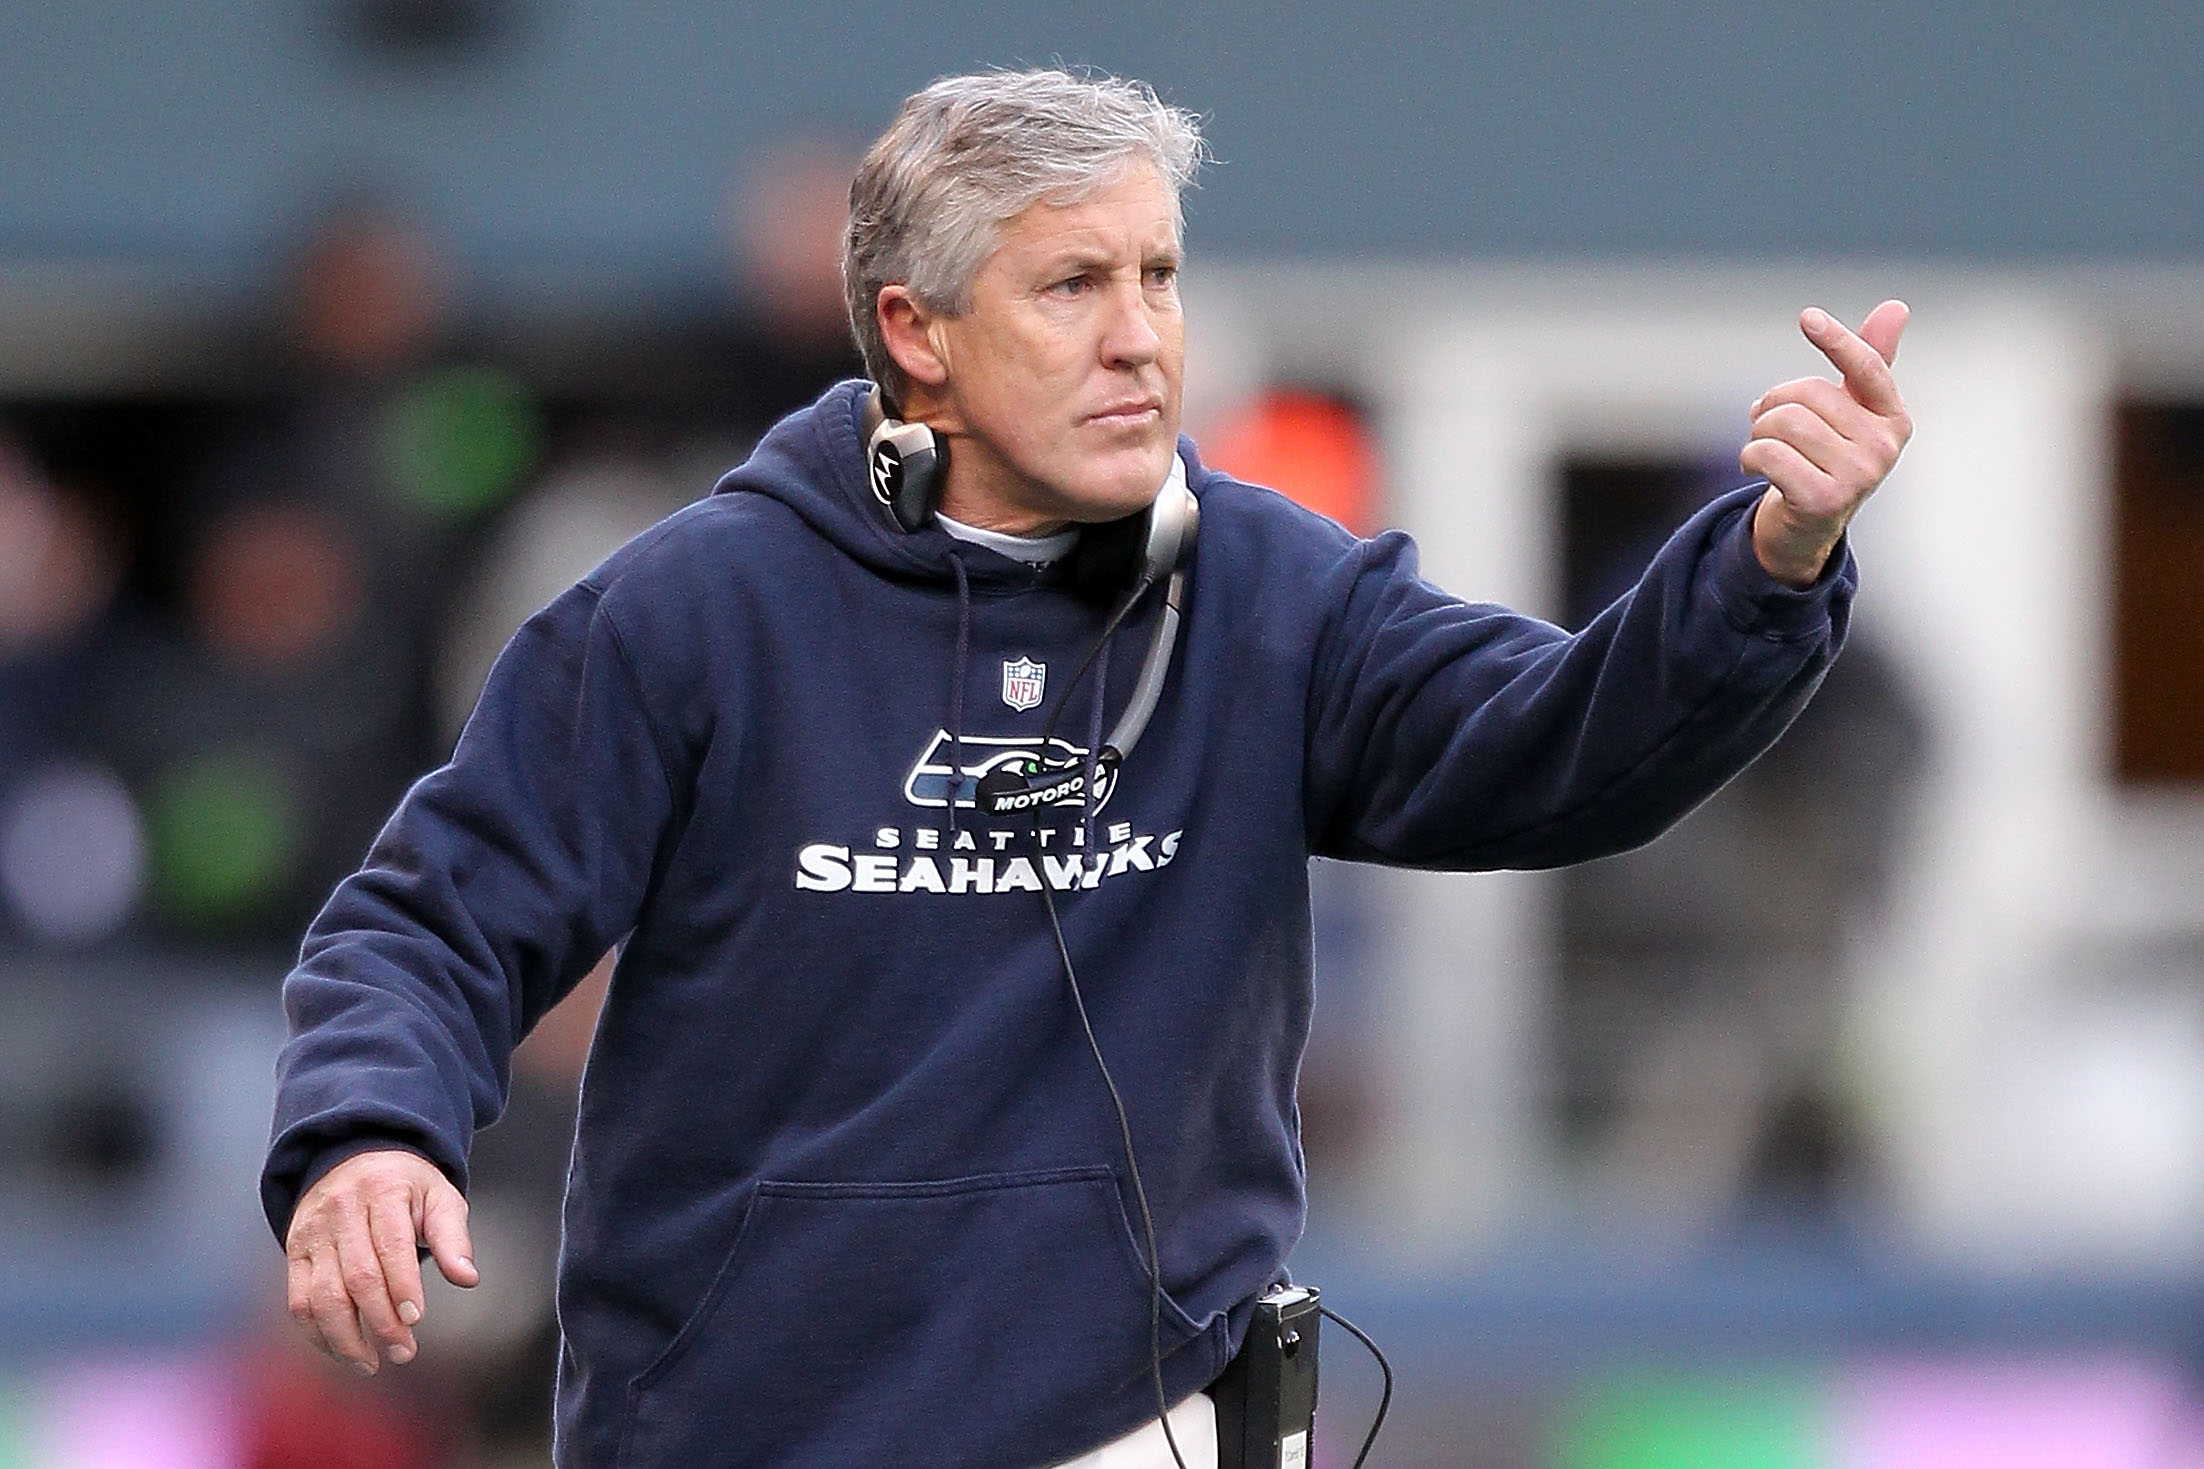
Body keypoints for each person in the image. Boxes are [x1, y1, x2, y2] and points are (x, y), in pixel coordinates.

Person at [262, 69, 1912, 1468]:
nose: (1142, 341)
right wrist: (369, 1131)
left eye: (1161, 278)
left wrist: (1770, 558)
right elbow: (429, 918)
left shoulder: (1280, 593)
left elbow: (1562, 752)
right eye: (1073, 288)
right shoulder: (690, 612)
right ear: (916, 331)